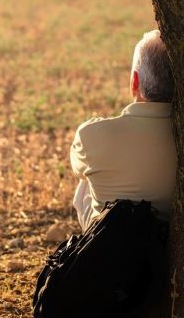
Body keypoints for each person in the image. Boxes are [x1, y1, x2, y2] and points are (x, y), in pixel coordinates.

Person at [70, 30, 177, 231]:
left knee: (85, 182)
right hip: (168, 244)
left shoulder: (90, 135)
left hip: (110, 246)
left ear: (134, 81)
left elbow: (77, 169)